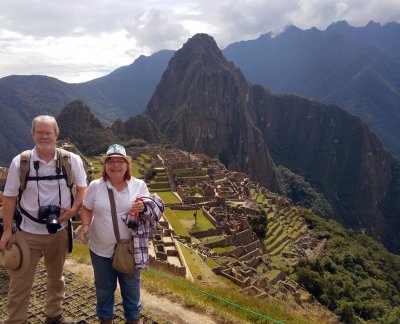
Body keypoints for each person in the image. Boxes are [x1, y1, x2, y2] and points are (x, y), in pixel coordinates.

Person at [0, 115, 87, 324]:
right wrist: (7, 230)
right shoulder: (21, 162)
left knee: (56, 278)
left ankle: (54, 314)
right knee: (20, 282)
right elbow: (10, 197)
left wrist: (73, 210)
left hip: (59, 230)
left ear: (57, 134)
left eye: (49, 132)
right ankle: (16, 320)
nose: (45, 136)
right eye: (40, 132)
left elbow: (83, 187)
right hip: (28, 232)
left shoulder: (70, 160)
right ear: (32, 134)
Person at [79, 144, 151, 324]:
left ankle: (132, 320)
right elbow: (86, 208)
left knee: (131, 291)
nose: (115, 165)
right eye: (111, 161)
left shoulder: (139, 186)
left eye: (120, 161)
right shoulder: (96, 186)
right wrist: (86, 225)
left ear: (127, 165)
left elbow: (151, 212)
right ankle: (105, 320)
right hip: (100, 251)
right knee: (104, 291)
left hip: (129, 251)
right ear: (105, 165)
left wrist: (144, 207)